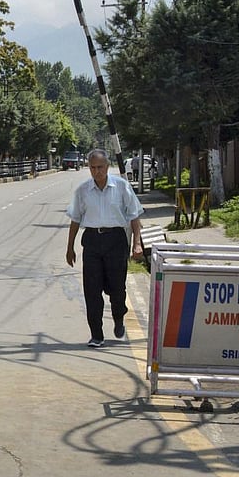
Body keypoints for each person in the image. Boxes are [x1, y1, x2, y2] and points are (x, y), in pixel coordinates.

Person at [66, 149, 144, 348]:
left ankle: (119, 318)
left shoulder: (121, 187)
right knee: (92, 291)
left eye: (100, 167)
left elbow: (134, 216)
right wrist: (70, 247)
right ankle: (96, 334)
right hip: (92, 241)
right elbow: (75, 219)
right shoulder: (82, 190)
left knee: (117, 289)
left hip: (116, 241)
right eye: (92, 168)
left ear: (107, 167)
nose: (96, 171)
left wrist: (136, 244)